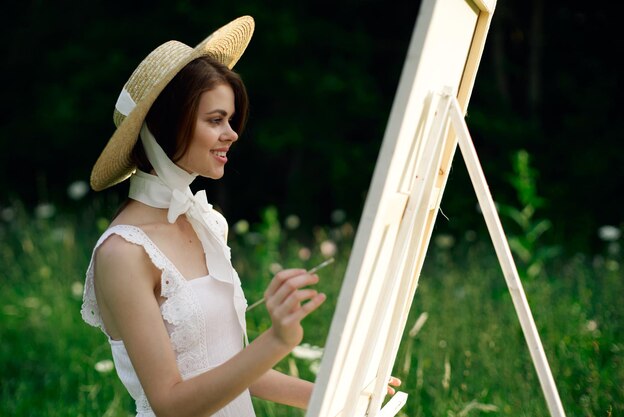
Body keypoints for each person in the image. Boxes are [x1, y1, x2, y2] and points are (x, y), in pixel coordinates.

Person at [81, 15, 400, 417]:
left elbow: (230, 367)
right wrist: (277, 341)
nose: (232, 133)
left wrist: (340, 394)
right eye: (215, 120)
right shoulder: (123, 253)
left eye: (230, 120)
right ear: (164, 126)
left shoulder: (206, 222)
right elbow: (170, 403)